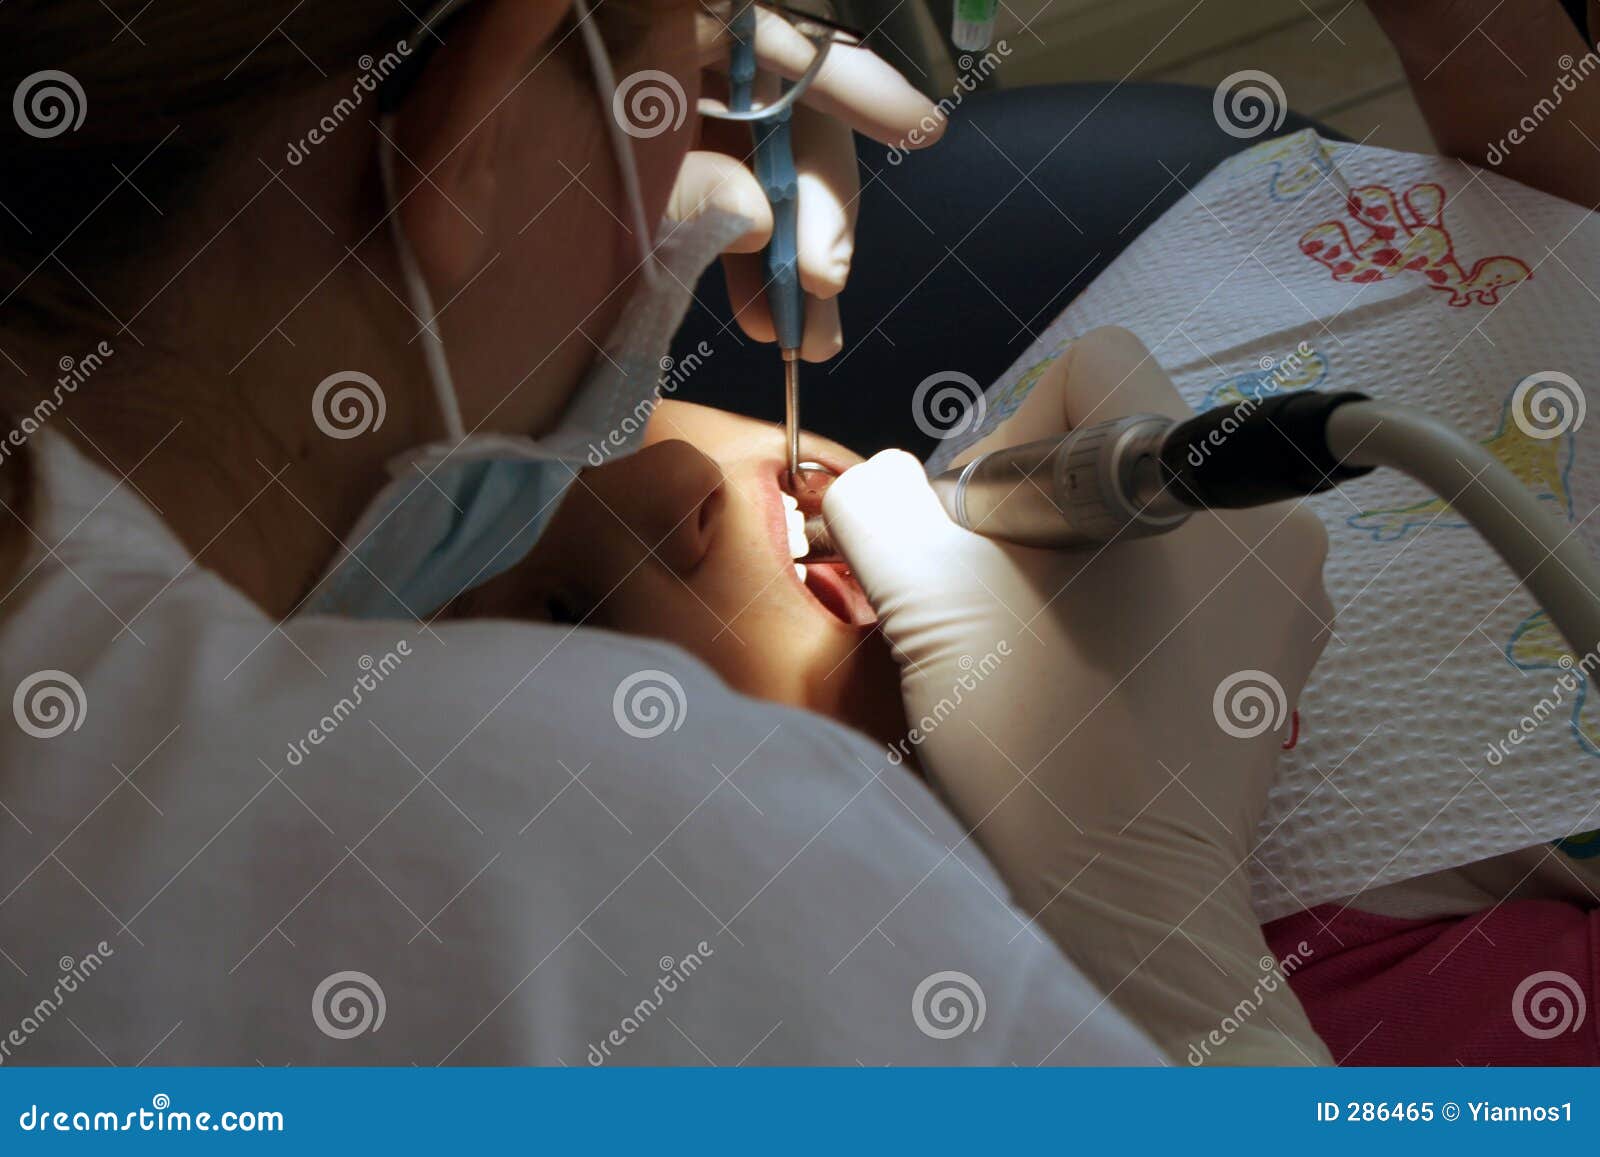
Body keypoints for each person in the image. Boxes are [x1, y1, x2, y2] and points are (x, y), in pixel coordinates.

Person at [0, 0, 1333, 1066]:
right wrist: (1175, 968)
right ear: (479, 99)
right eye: (575, 632)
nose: (673, 489)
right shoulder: (646, 877)